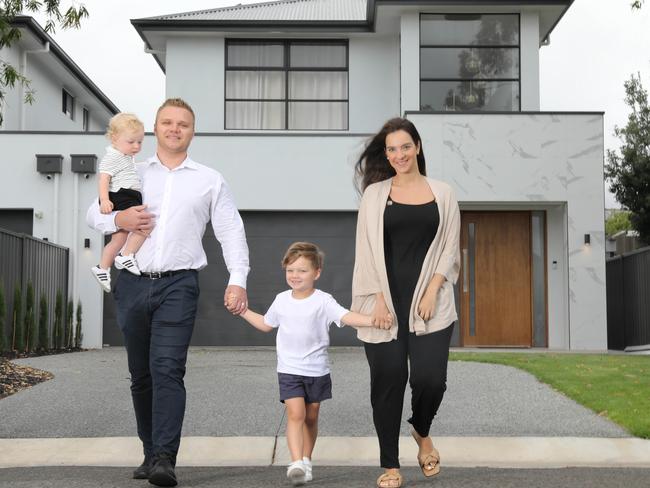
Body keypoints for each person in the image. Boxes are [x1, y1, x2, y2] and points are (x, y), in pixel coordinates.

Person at [86, 98, 250, 488]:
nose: (175, 129)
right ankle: (148, 451)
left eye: (183, 124)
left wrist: (238, 277)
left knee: (167, 369)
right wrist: (118, 218)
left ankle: (164, 458)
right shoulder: (132, 170)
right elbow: (93, 214)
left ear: (193, 132)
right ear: (154, 129)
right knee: (140, 374)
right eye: (167, 123)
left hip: (179, 284)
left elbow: (230, 230)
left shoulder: (209, 179)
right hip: (132, 282)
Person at [351, 117, 460, 488]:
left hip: (431, 303)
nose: (399, 154)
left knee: (431, 381)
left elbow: (449, 247)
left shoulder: (443, 192)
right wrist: (377, 300)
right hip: (383, 305)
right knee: (388, 380)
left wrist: (432, 290)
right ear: (387, 154)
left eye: (405, 147)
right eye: (392, 149)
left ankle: (421, 429)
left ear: (418, 147)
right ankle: (390, 465)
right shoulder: (374, 195)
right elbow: (365, 251)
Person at [234, 242, 383, 486]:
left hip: (317, 370)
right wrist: (242, 311)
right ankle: (296, 463)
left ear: (317, 273)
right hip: (289, 370)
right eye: (290, 270)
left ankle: (306, 459)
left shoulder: (324, 301)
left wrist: (373, 321)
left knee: (311, 418)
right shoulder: (281, 300)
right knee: (296, 413)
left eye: (302, 270)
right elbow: (266, 324)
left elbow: (346, 317)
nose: (295, 275)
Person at [91, 113, 147, 292]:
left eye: (139, 142)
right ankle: (126, 255)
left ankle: (102, 267)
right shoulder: (113, 156)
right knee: (145, 224)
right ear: (114, 139)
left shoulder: (124, 156)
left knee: (119, 238)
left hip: (127, 195)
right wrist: (105, 200)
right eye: (131, 142)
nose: (136, 146)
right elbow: (103, 179)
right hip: (122, 195)